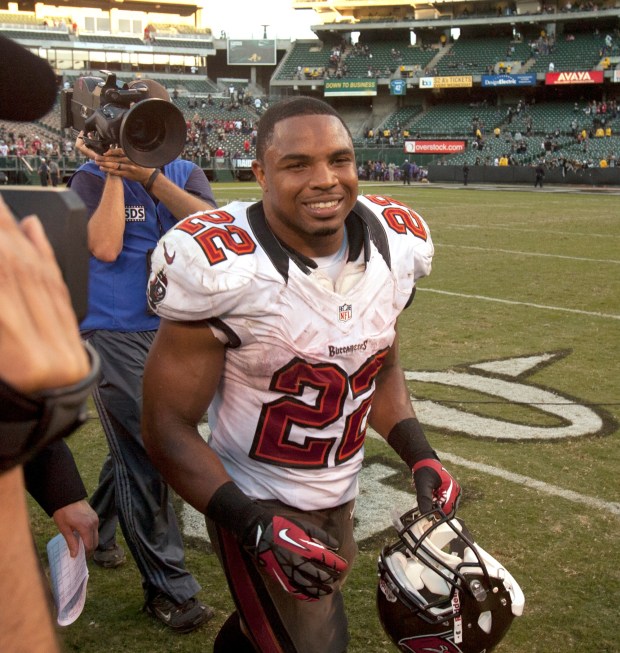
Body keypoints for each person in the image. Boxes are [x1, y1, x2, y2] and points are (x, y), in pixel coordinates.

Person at [142, 97, 460, 652]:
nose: (326, 180)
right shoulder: (221, 265)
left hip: (338, 494)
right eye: (297, 164)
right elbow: (165, 425)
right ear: (261, 172)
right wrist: (252, 523)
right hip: (254, 496)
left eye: (340, 159)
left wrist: (420, 452)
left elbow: (378, 367)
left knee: (265, 629)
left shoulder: (395, 244)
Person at [67, 78, 218, 634]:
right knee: (150, 453)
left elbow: (210, 229)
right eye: (127, 120)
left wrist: (151, 177)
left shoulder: (182, 172)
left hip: (172, 329)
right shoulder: (87, 177)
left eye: (147, 120)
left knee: (139, 442)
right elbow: (104, 247)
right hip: (112, 328)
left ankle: (100, 530)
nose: (136, 131)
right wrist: (112, 174)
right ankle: (168, 589)